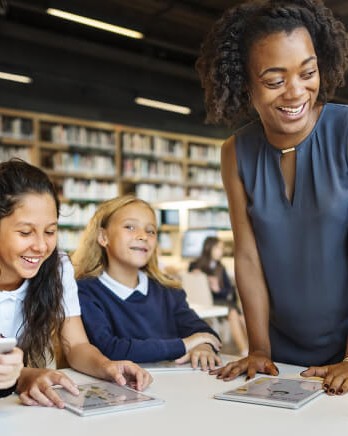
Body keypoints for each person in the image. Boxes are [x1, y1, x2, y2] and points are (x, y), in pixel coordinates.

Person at [195, 0, 348, 395]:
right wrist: (258, 348)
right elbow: (247, 256)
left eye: (308, 72)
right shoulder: (235, 152)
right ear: (246, 85)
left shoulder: (345, 132)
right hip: (280, 358)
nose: (297, 91)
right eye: (274, 80)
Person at [0, 158, 152, 407]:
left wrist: (107, 366)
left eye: (50, 231)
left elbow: (77, 344)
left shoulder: (57, 267)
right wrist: (24, 376)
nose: (40, 246)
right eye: (25, 232)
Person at [72, 195, 222, 370]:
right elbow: (108, 349)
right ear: (103, 237)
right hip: (123, 390)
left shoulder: (168, 291)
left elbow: (205, 334)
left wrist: (203, 347)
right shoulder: (85, 291)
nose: (143, 236)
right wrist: (184, 344)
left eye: (151, 231)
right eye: (130, 227)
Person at [188, 236, 248, 356]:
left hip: (221, 301)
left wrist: (217, 289)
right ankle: (244, 349)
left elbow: (227, 291)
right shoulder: (195, 266)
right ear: (209, 248)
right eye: (218, 248)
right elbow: (193, 283)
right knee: (235, 313)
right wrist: (204, 280)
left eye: (222, 248)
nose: (221, 251)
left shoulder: (221, 268)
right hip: (207, 304)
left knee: (241, 316)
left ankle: (250, 348)